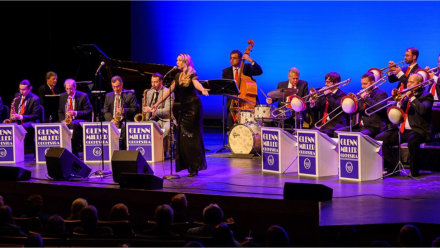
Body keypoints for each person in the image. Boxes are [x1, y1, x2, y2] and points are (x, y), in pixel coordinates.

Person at [152, 54, 209, 177]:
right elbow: (168, 92)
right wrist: (156, 104)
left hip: (194, 109)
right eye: (177, 60)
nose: (177, 62)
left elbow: (196, 83)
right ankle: (188, 165)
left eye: (179, 60)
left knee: (193, 137)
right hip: (184, 110)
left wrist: (203, 89)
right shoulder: (178, 76)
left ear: (186, 62)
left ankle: (195, 166)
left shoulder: (192, 74)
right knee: (183, 137)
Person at [375, 73, 433, 176]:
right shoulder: (405, 96)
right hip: (403, 130)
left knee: (413, 141)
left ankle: (414, 171)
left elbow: (422, 110)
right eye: (408, 82)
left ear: (419, 84)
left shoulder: (427, 96)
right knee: (381, 138)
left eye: (411, 82)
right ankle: (393, 167)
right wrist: (398, 101)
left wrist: (412, 98)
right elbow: (396, 113)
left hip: (419, 130)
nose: (408, 84)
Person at [336, 72, 388, 137]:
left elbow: (380, 108)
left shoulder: (381, 94)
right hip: (361, 126)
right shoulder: (362, 95)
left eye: (365, 84)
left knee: (361, 135)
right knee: (337, 133)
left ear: (372, 82)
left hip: (374, 126)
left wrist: (366, 98)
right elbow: (355, 112)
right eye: (362, 84)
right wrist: (353, 104)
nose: (362, 86)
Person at [222, 49, 263, 130]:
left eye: (234, 58)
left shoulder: (246, 67)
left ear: (240, 59)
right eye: (230, 58)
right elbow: (225, 86)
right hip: (233, 102)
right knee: (231, 123)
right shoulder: (226, 71)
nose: (231, 60)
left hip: (246, 101)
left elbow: (259, 71)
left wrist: (250, 60)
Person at [58, 79, 93, 157]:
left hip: (80, 120)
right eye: (67, 89)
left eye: (71, 89)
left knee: (73, 124)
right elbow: (60, 111)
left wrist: (75, 113)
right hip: (67, 120)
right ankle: (63, 151)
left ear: (75, 87)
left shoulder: (83, 96)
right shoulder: (63, 96)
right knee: (61, 125)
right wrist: (62, 120)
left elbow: (88, 111)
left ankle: (74, 151)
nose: (69, 91)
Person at [103, 75, 139, 150]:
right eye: (114, 87)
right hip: (112, 120)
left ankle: (123, 150)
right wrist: (112, 120)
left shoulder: (130, 95)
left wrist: (124, 110)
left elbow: (135, 109)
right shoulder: (108, 96)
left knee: (124, 127)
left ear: (122, 84)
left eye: (118, 86)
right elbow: (106, 111)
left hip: (125, 120)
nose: (116, 89)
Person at [143, 73, 174, 158]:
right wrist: (146, 117)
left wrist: (153, 111)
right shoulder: (149, 92)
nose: (153, 84)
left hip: (166, 119)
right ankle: (150, 152)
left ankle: (165, 152)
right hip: (153, 119)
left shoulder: (168, 92)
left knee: (167, 128)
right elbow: (148, 107)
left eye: (156, 82)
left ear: (161, 82)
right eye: (152, 82)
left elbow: (167, 111)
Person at [310, 72, 347, 137]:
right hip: (323, 123)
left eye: (328, 82)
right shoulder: (324, 93)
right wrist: (313, 103)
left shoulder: (342, 94)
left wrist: (328, 95)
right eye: (325, 82)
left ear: (336, 83)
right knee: (311, 134)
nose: (326, 84)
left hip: (336, 123)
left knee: (323, 133)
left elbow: (336, 107)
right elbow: (318, 108)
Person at [10, 80, 42, 151]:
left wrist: (20, 117)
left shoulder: (35, 99)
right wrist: (13, 116)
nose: (21, 92)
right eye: (20, 89)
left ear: (29, 89)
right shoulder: (17, 96)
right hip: (18, 121)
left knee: (21, 127)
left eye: (24, 89)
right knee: (8, 126)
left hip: (30, 121)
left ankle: (20, 150)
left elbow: (35, 115)